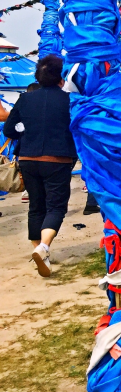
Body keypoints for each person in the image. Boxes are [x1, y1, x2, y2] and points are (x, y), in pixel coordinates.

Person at [2, 55, 77, 277]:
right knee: (56, 206)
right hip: (58, 160)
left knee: (36, 206)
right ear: (60, 78)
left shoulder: (25, 99)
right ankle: (43, 247)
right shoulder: (70, 100)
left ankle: (39, 249)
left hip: (28, 159)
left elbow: (8, 130)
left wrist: (27, 132)